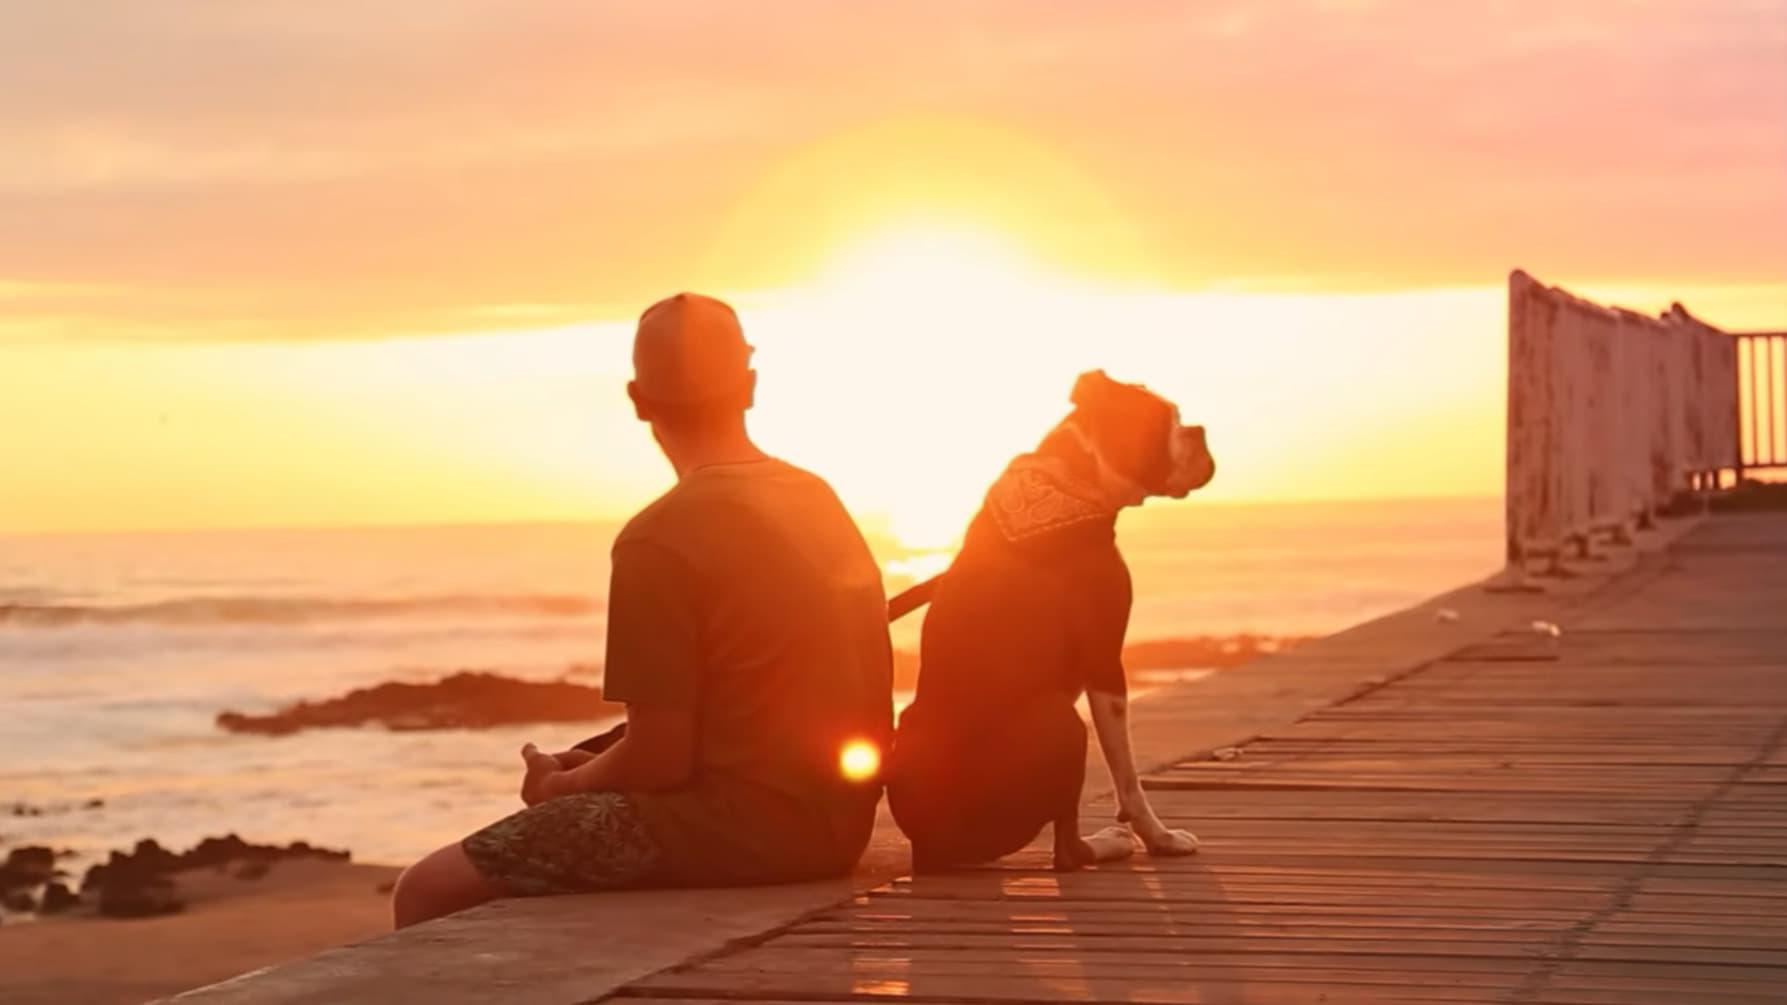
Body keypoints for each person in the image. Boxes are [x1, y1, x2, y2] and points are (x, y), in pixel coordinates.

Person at [392, 293, 893, 928]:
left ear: (638, 400)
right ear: (750, 386)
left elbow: (660, 759)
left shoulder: (658, 538)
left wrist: (559, 788)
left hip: (742, 833)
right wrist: (599, 765)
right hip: (837, 824)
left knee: (425, 891)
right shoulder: (815, 497)